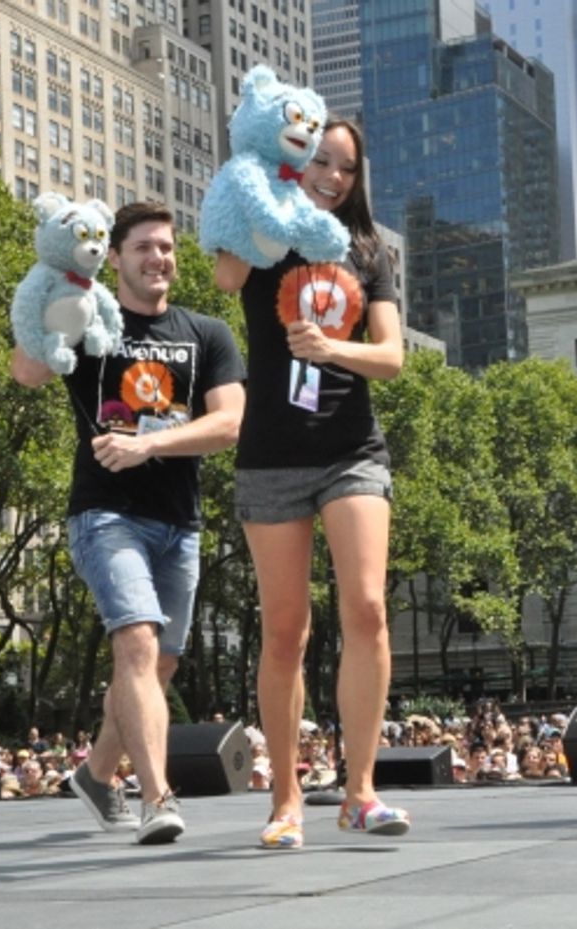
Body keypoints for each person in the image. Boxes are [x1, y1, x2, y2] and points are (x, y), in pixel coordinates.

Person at [11, 200, 246, 844]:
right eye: (142, 246)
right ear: (114, 257)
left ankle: (94, 773)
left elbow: (230, 425)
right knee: (137, 646)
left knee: (158, 667)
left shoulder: (208, 334)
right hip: (104, 515)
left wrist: (149, 444)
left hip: (181, 523)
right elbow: (27, 372)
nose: (157, 257)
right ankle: (156, 797)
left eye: (165, 246)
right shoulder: (91, 325)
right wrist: (51, 294)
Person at [214, 118, 407, 850]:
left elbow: (391, 358)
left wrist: (332, 348)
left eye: (346, 167)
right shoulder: (267, 240)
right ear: (297, 161)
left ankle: (360, 791)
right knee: (286, 631)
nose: (332, 176)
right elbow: (224, 275)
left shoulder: (368, 252)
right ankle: (286, 799)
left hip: (351, 450)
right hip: (269, 454)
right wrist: (259, 187)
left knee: (366, 608)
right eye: (320, 160)